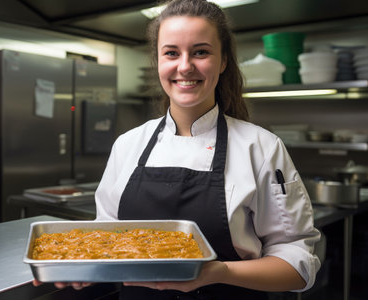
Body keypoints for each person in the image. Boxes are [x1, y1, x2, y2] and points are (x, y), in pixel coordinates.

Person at [35, 0, 321, 298]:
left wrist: (219, 272)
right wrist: (84, 268)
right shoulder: (128, 144)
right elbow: (107, 240)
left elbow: (298, 265)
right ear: (158, 62)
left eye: (201, 52)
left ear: (223, 62)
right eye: (171, 53)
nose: (185, 66)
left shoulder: (260, 147)